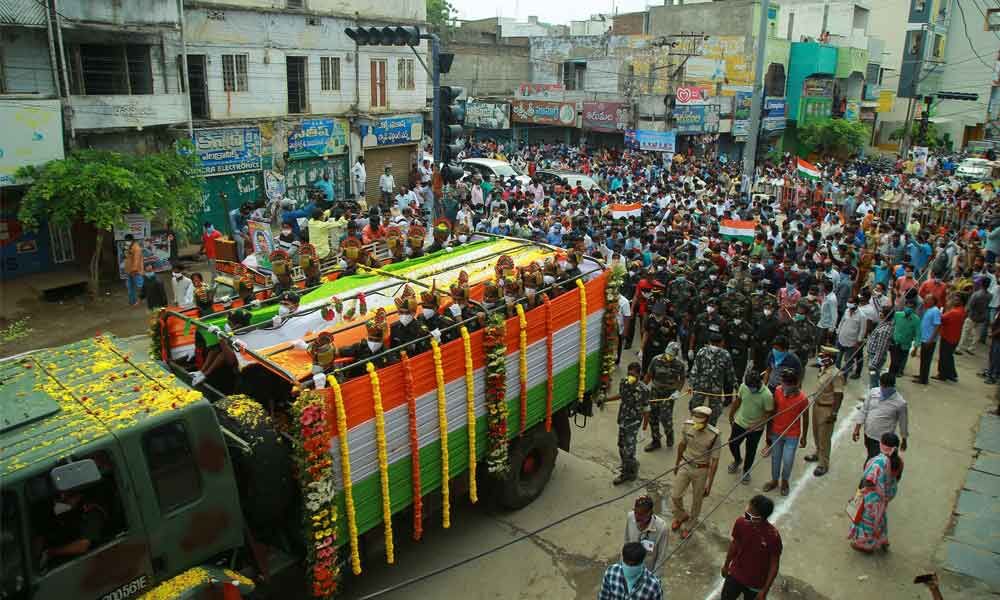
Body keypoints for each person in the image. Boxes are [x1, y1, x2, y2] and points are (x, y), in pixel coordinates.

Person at [848, 432, 904, 553]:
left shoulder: (878, 462)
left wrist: (861, 493)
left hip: (875, 495)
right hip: (888, 494)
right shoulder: (899, 460)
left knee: (867, 518)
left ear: (882, 445)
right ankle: (883, 539)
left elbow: (869, 481)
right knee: (881, 514)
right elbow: (897, 478)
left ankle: (867, 544)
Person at [670, 405, 721, 539]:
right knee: (675, 495)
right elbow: (682, 445)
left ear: (707, 420)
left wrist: (709, 484)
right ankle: (681, 515)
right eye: (696, 420)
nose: (697, 424)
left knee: (697, 500)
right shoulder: (687, 426)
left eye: (701, 421)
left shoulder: (714, 435)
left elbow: (715, 461)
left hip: (702, 469)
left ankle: (690, 524)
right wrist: (677, 463)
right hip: (685, 464)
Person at [720, 495, 782, 600]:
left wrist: (764, 590)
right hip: (736, 574)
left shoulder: (773, 537)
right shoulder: (740, 522)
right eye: (747, 512)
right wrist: (726, 565)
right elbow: (735, 544)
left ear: (760, 518)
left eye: (750, 514)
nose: (746, 516)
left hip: (756, 583)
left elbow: (774, 564)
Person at [762, 369, 808, 497]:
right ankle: (774, 480)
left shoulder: (803, 398)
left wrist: (804, 436)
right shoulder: (777, 390)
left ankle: (785, 481)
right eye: (782, 383)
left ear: (794, 384)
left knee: (788, 460)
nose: (783, 386)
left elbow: (805, 417)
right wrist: (769, 431)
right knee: (775, 458)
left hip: (792, 434)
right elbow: (773, 410)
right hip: (776, 431)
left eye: (786, 384)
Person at [726, 370, 774, 484]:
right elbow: (738, 401)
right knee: (732, 443)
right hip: (740, 422)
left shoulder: (767, 395)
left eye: (752, 386)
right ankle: (737, 460)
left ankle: (746, 471)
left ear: (759, 383)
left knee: (750, 451)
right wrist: (731, 414)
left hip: (756, 429)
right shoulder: (744, 387)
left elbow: (768, 414)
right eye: (749, 386)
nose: (750, 389)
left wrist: (756, 425)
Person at [607, 361, 650, 485]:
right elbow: (621, 395)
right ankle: (630, 465)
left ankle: (627, 473)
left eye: (633, 374)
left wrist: (644, 428)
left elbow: (646, 409)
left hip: (634, 422)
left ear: (639, 375)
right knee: (621, 445)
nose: (630, 376)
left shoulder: (644, 390)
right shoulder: (624, 382)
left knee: (629, 449)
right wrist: (606, 399)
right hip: (623, 419)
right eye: (629, 373)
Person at [804, 346, 844, 477]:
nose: (820, 358)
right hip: (817, 406)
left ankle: (823, 464)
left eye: (823, 357)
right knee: (816, 433)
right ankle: (817, 453)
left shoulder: (836, 374)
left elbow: (839, 395)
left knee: (824, 438)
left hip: (827, 409)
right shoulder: (824, 370)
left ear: (830, 359)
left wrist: (834, 413)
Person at [853, 372, 909, 462]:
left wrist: (904, 439)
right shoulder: (874, 392)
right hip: (868, 434)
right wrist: (857, 429)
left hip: (883, 440)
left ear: (892, 386)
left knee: (873, 461)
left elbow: (903, 423)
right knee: (871, 453)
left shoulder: (900, 403)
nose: (884, 389)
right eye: (883, 386)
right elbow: (864, 410)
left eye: (887, 387)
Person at [644, 341, 687, 450]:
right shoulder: (656, 360)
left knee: (665, 417)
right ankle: (655, 440)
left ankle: (669, 434)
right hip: (655, 391)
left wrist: (678, 391)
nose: (669, 357)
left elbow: (682, 379)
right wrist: (642, 389)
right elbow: (649, 375)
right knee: (653, 416)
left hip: (669, 394)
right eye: (668, 354)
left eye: (672, 356)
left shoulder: (679, 364)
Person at [598, 542, 663, 600]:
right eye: (626, 563)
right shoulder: (611, 573)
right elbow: (603, 597)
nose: (629, 567)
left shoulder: (653, 585)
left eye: (634, 565)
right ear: (622, 559)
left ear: (642, 562)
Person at [623, 495, 669, 573]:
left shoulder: (662, 528)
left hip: (647, 572)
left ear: (650, 513)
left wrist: (654, 579)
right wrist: (623, 566)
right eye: (635, 512)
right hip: (630, 570)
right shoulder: (630, 517)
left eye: (641, 514)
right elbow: (626, 541)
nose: (637, 517)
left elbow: (661, 558)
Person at [934, 295, 964, 382]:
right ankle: (951, 374)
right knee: (949, 356)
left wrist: (947, 307)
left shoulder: (954, 312)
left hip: (948, 336)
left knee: (944, 356)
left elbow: (941, 318)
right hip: (954, 336)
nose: (954, 301)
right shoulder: (961, 310)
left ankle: (942, 374)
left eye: (956, 300)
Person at [914, 294, 941, 385]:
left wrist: (930, 339)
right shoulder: (928, 309)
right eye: (925, 299)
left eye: (928, 300)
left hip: (929, 340)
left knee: (926, 360)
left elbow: (937, 326)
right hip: (924, 338)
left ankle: (923, 379)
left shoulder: (935, 311)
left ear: (933, 301)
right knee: (923, 359)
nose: (926, 301)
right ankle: (922, 375)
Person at [889, 298, 921, 376]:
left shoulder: (916, 320)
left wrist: (915, 347)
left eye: (911, 307)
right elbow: (891, 326)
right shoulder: (897, 315)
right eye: (907, 306)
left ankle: (899, 371)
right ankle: (891, 375)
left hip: (905, 345)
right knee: (894, 362)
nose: (908, 308)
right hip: (895, 343)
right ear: (904, 306)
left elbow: (918, 334)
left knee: (902, 360)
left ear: (914, 308)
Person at [960, 278, 989, 355]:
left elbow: (970, 306)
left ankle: (959, 347)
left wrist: (965, 313)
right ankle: (971, 348)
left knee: (965, 332)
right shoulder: (989, 295)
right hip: (981, 317)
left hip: (972, 316)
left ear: (981, 284)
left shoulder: (976, 294)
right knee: (976, 335)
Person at [123, 234, 144, 306]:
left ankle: (143, 300)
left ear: (131, 240)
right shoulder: (129, 247)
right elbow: (127, 259)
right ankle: (132, 302)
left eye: (127, 240)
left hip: (136, 272)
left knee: (140, 286)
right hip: (129, 271)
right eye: (125, 241)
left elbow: (136, 261)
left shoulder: (137, 248)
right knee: (130, 287)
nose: (126, 242)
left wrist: (134, 270)